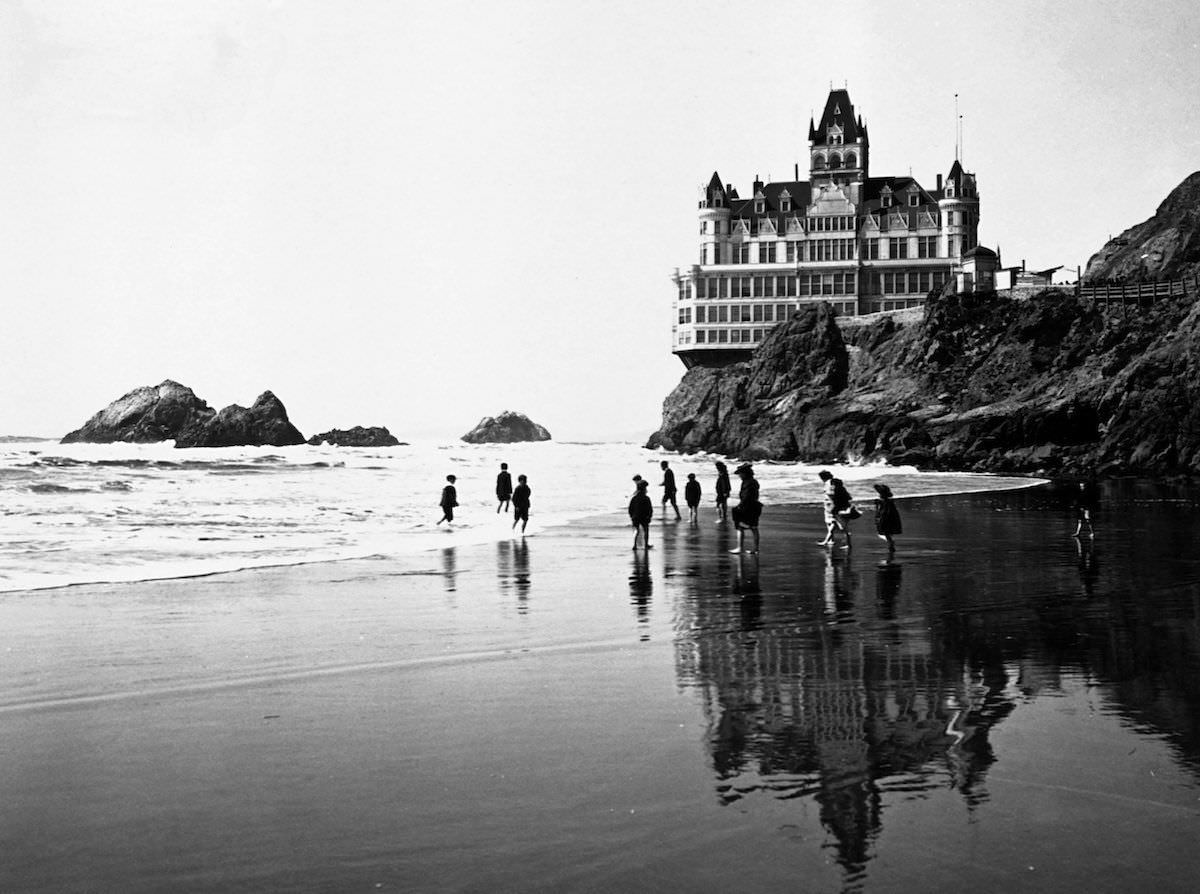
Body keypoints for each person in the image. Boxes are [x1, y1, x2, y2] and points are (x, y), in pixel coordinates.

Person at [730, 463, 762, 554]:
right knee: (754, 527)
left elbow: (746, 497)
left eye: (740, 473)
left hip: (748, 507)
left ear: (745, 473)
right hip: (755, 506)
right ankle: (756, 549)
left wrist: (740, 506)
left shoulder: (747, 483)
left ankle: (740, 548)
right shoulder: (753, 481)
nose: (739, 475)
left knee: (740, 526)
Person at [873, 483, 902, 552]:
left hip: (886, 517)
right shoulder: (888, 500)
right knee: (887, 532)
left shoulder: (886, 501)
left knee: (885, 531)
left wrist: (879, 515)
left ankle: (890, 544)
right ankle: (890, 543)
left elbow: (883, 510)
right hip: (890, 517)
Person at [628, 479, 653, 549]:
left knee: (636, 531)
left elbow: (630, 508)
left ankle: (634, 545)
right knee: (646, 531)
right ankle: (646, 545)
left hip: (635, 517)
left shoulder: (634, 498)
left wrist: (631, 516)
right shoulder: (646, 498)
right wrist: (649, 516)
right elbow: (650, 509)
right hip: (644, 517)